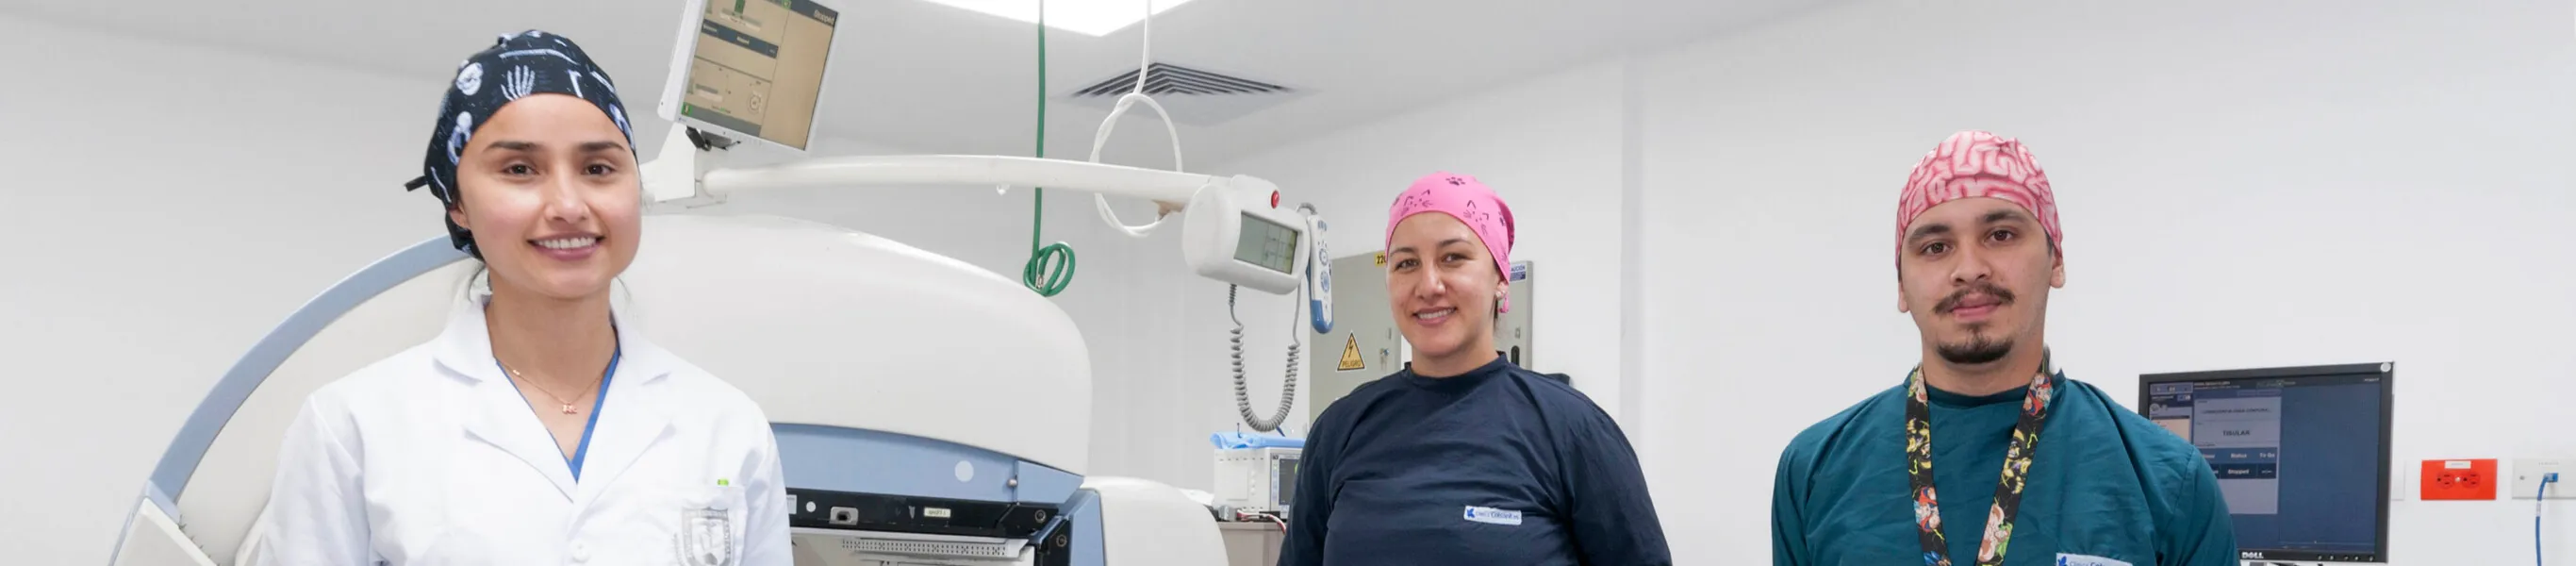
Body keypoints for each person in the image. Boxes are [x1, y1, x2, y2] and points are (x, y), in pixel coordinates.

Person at [255, 31, 790, 565]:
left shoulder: (727, 425)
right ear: (457, 203)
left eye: (598, 169)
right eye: (519, 169)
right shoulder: (354, 426)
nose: (568, 204)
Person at [1770, 131, 2236, 566]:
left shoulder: (2169, 480)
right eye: (1935, 246)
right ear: (1901, 286)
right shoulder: (1815, 471)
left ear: (2056, 259)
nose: (1969, 268)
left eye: (2001, 235)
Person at [1280, 173, 1671, 565]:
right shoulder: (1339, 430)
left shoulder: (1572, 430)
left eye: (1453, 257)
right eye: (1406, 263)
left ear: (1501, 278)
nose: (1428, 284)